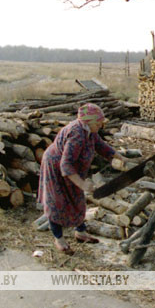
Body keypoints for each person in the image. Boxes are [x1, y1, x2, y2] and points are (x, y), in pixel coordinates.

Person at [37, 103, 116, 255]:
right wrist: (83, 184)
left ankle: (80, 232)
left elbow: (101, 145)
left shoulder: (90, 131)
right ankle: (59, 239)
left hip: (71, 169)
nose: (101, 124)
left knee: (77, 198)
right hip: (56, 167)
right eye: (99, 122)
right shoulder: (77, 135)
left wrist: (119, 157)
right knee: (57, 202)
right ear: (89, 121)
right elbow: (65, 165)